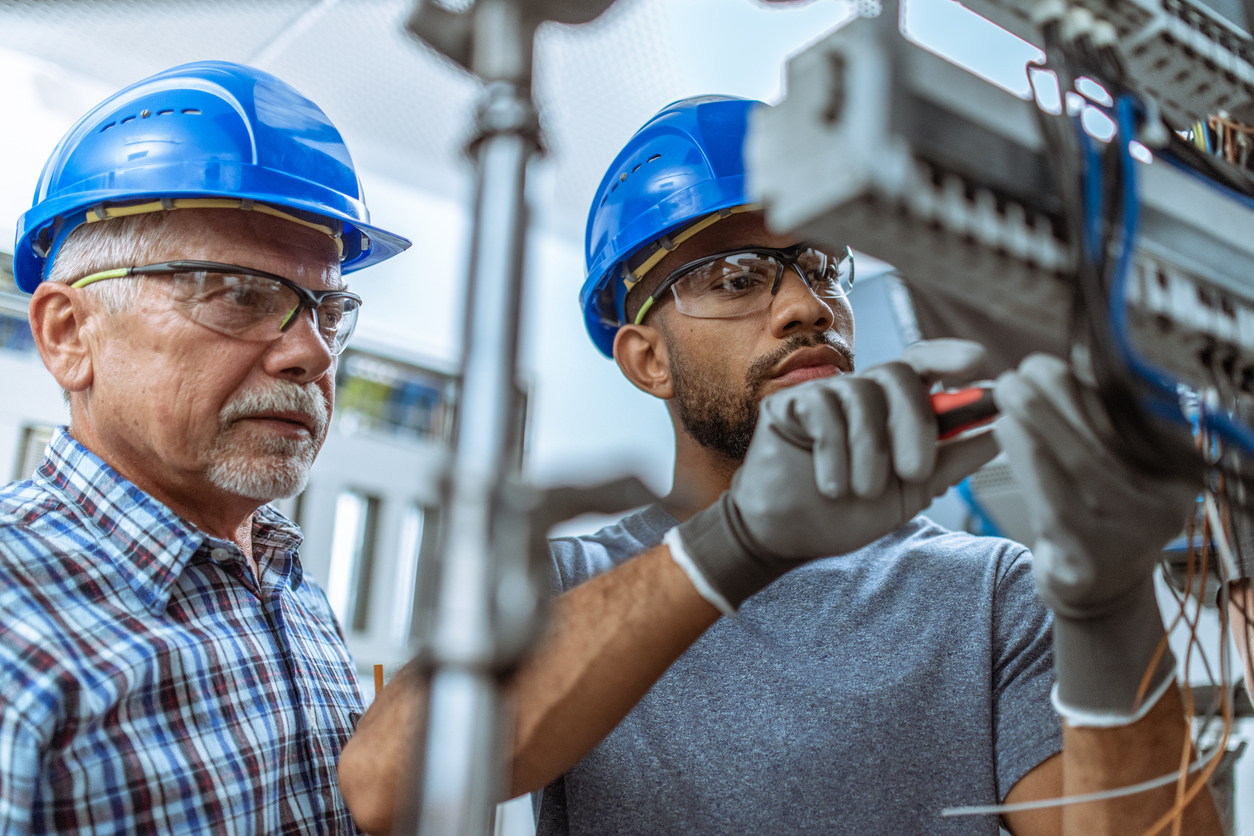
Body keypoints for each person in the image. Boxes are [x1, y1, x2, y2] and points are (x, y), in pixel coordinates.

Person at [342, 95, 1224, 835]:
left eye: (818, 265)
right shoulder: (569, 582)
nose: (807, 306)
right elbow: (386, 786)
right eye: (735, 276)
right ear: (647, 359)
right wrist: (734, 545)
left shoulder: (998, 593)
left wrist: (1112, 610)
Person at [0, 61, 410, 834]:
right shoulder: (14, 623)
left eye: (327, 310)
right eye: (239, 294)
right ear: (68, 334)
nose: (313, 355)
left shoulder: (291, 592)